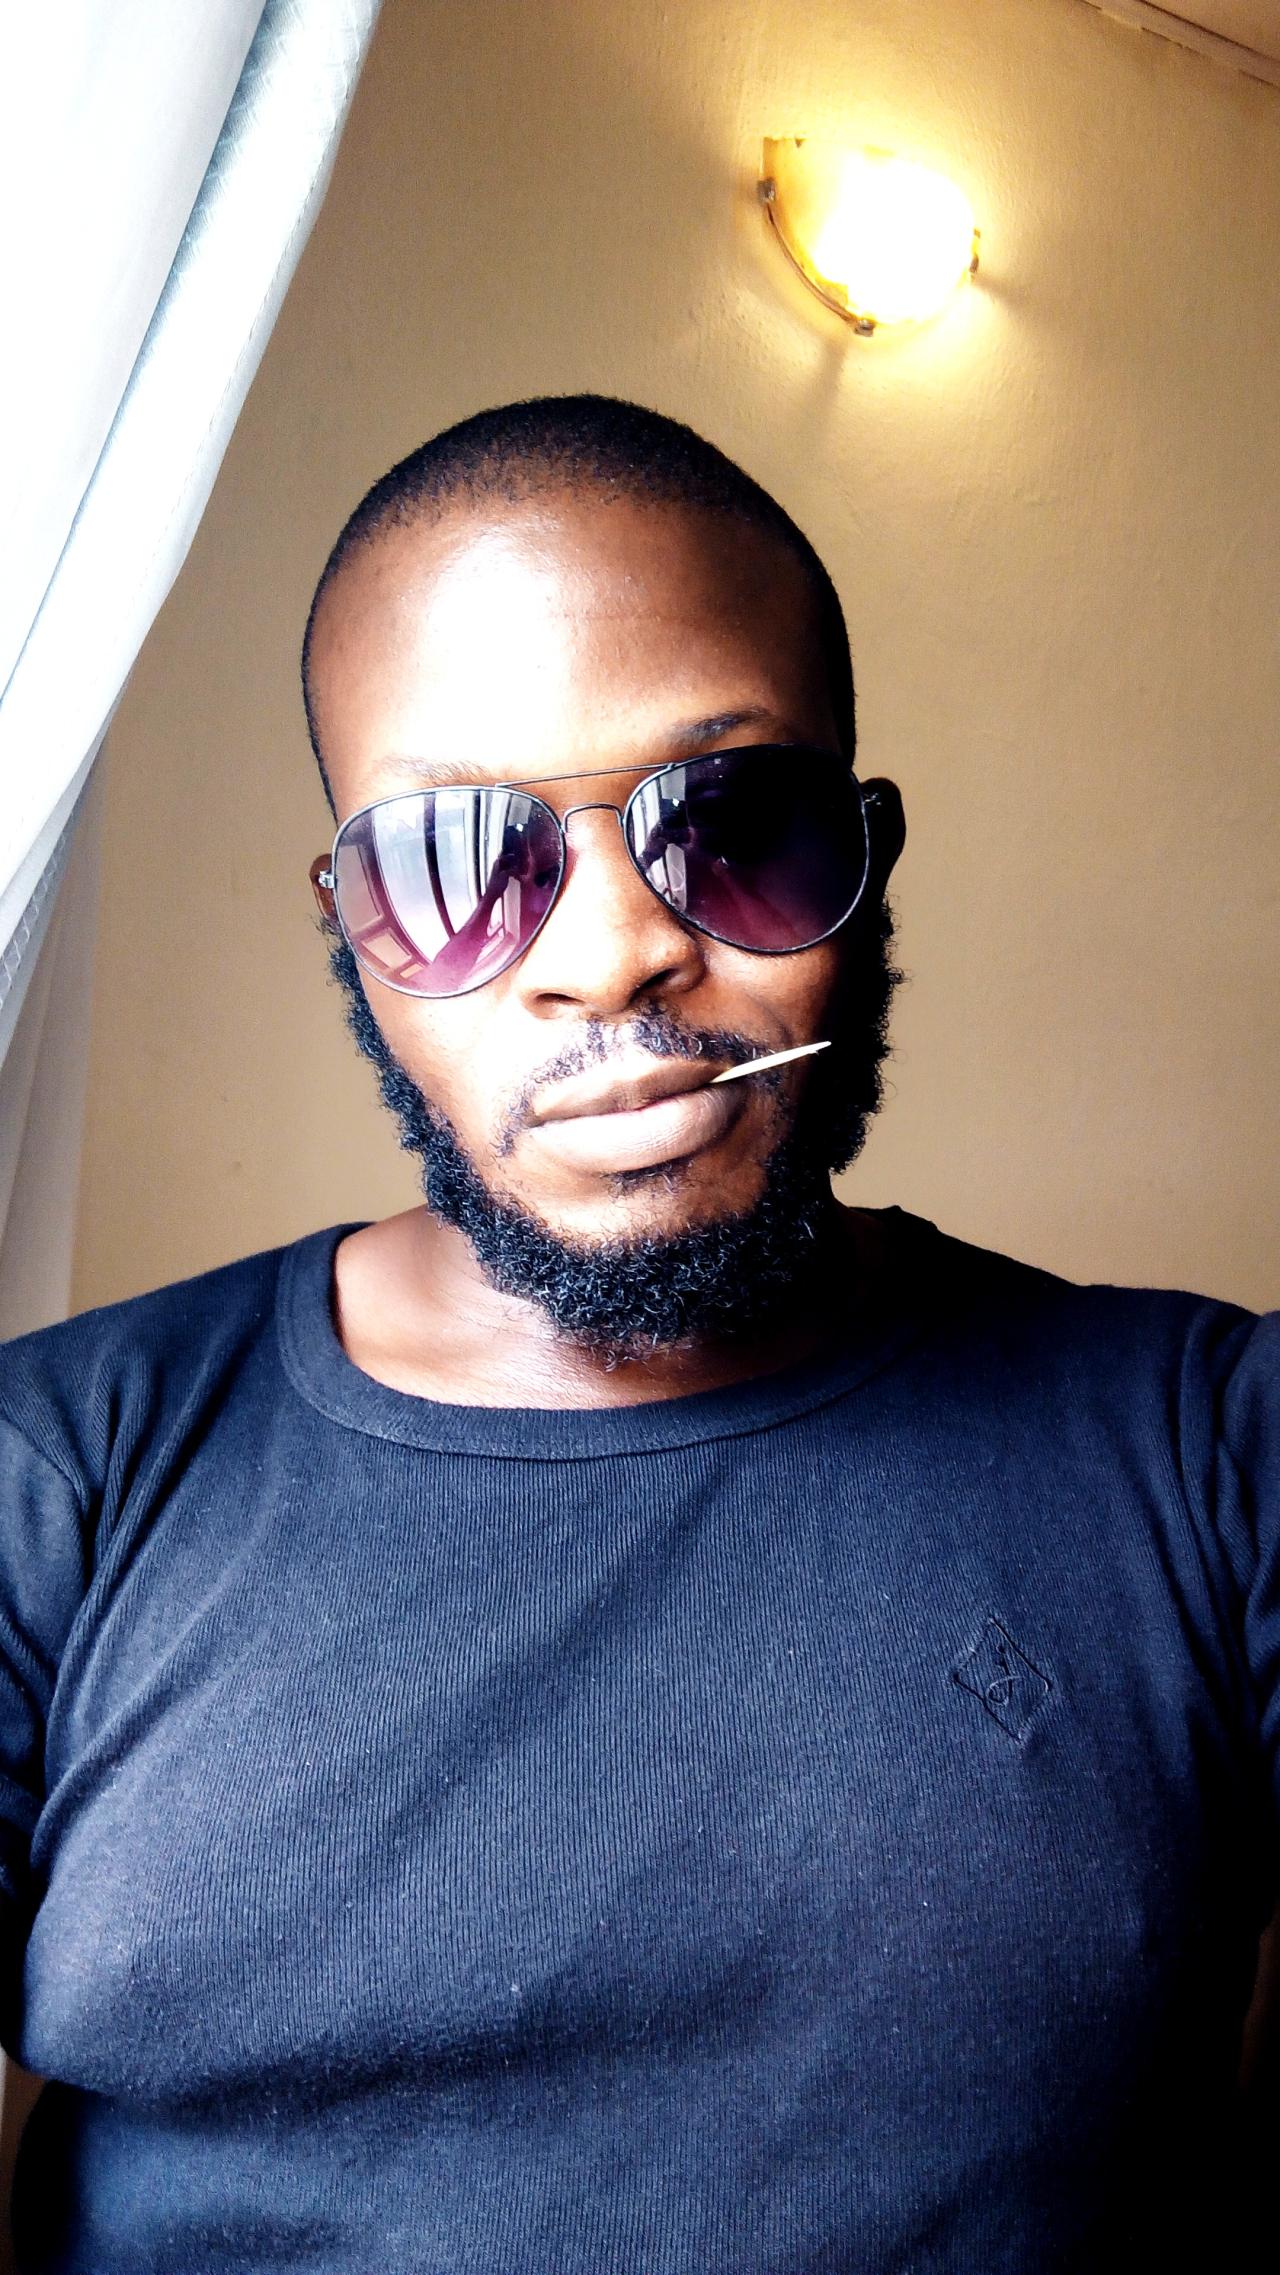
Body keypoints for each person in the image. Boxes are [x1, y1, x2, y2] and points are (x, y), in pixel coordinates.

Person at [0, 394, 1274, 2274]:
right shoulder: (57, 1474)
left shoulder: (1216, 1451)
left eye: (735, 822)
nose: (610, 952)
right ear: (350, 931)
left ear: (869, 856)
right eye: (453, 858)